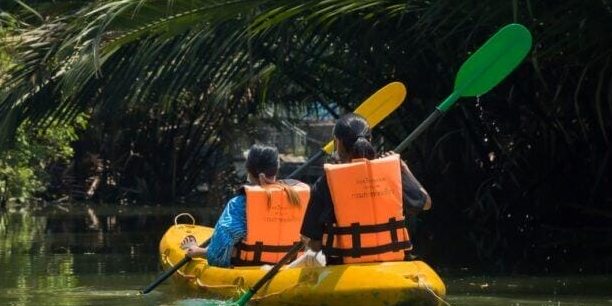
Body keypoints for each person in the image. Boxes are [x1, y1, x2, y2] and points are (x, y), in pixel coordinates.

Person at [296, 113, 431, 266]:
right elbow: (426, 203)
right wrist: (403, 169)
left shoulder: (326, 182)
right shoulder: (392, 173)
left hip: (343, 266)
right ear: (370, 141)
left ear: (337, 143)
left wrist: (307, 241)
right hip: (394, 264)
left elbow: (315, 244)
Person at [180, 143, 310, 267]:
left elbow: (218, 255)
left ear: (248, 169)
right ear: (276, 169)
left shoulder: (239, 204)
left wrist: (199, 251)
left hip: (247, 268)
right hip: (289, 266)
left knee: (226, 247)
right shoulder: (296, 198)